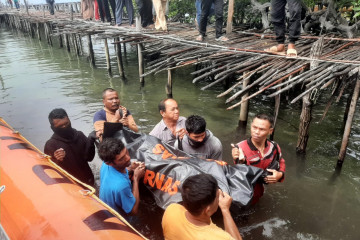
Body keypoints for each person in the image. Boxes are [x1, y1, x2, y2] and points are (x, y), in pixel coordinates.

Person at [162, 173, 242, 240]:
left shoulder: (171, 210)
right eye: (217, 197)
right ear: (208, 210)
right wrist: (225, 209)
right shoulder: (218, 237)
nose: (219, 194)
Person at [231, 113, 285, 204]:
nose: (256, 132)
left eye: (262, 129)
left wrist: (280, 174)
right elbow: (241, 174)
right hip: (244, 194)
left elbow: (281, 161)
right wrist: (241, 160)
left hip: (259, 190)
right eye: (254, 127)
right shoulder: (240, 148)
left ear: (270, 131)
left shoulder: (274, 147)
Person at [44, 108, 96, 186]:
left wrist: (91, 142)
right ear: (53, 128)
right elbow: (50, 172)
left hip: (88, 180)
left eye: (66, 123)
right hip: (70, 185)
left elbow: (89, 158)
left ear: (69, 120)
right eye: (60, 126)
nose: (64, 127)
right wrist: (57, 159)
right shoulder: (51, 145)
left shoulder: (79, 135)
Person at [98, 138, 145, 215]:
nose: (128, 158)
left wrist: (130, 168)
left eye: (126, 152)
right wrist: (136, 178)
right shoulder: (121, 186)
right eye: (121, 159)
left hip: (104, 207)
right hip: (117, 219)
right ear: (109, 163)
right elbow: (133, 211)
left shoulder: (105, 165)